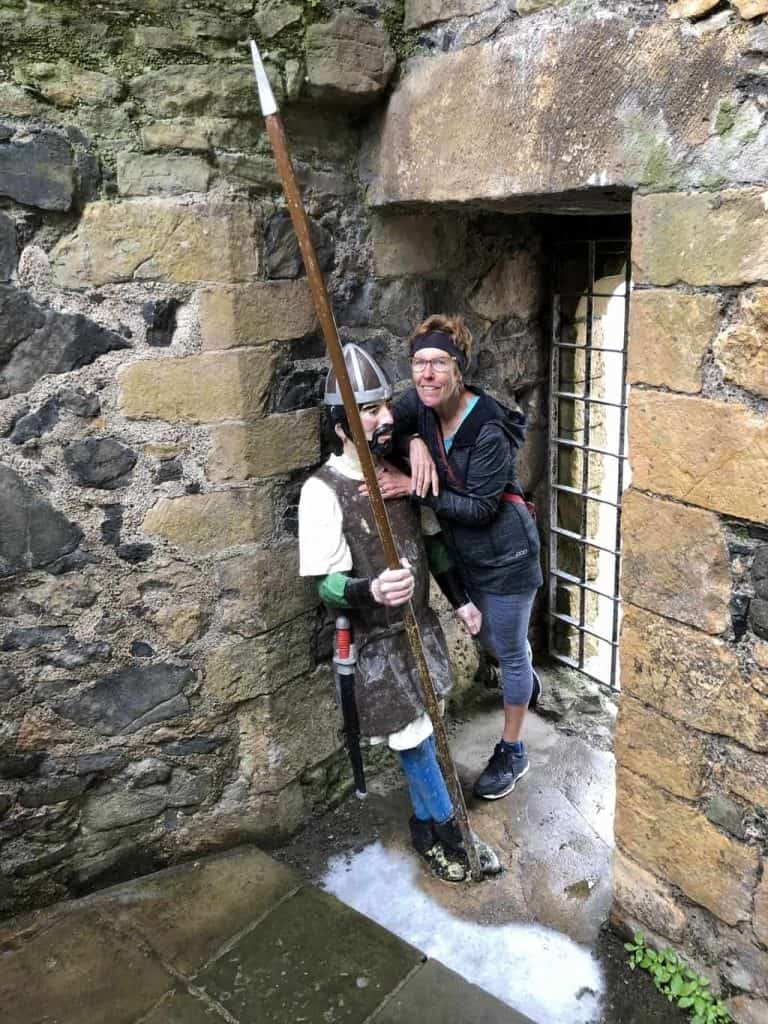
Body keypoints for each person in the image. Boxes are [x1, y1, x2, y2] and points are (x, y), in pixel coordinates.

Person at [298, 342, 500, 882]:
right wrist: (371, 589)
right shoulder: (322, 492)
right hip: (378, 645)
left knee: (431, 726)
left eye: (386, 406)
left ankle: (428, 822)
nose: (386, 417)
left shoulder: (396, 471)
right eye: (370, 410)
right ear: (341, 425)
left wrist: (461, 600)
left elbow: (431, 545)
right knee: (412, 740)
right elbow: (326, 586)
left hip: (421, 629)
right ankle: (448, 833)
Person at [382, 314, 544, 801]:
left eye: (439, 363)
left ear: (459, 368)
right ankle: (523, 675)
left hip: (508, 555)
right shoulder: (420, 404)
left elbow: (478, 509)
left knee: (508, 652)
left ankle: (513, 750)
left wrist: (413, 487)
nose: (427, 373)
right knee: (492, 638)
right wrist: (413, 440)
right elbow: (388, 424)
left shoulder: (489, 427)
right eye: (419, 362)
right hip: (467, 555)